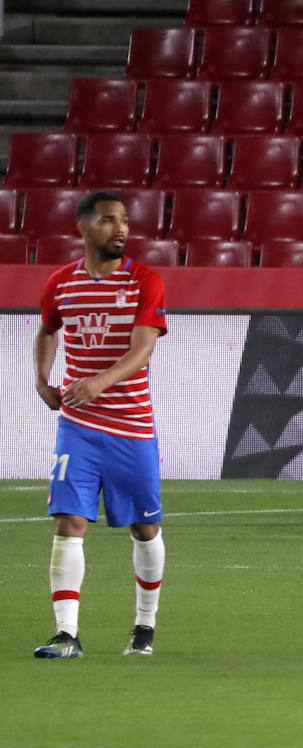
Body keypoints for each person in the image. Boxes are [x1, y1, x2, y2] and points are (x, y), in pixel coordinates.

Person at [32, 190, 168, 659]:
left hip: (132, 428)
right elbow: (49, 328)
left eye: (125, 220)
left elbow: (143, 349)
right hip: (78, 426)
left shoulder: (144, 281)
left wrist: (99, 382)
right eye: (109, 220)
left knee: (145, 530)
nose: (122, 229)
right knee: (69, 521)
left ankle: (144, 626)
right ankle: (66, 634)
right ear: (84, 229)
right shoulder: (61, 282)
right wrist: (42, 378)